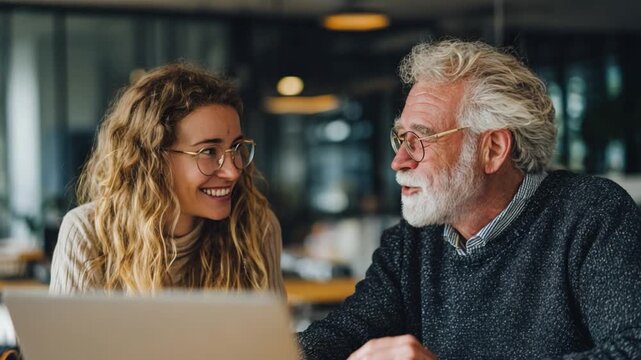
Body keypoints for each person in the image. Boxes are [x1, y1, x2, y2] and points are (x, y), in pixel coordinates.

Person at [298, 39, 641, 359]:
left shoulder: (593, 215)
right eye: (401, 138)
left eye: (420, 139)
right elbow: (341, 334)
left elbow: (631, 348)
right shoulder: (412, 242)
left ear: (492, 150)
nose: (398, 161)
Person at [50, 63, 284, 296]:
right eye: (209, 151)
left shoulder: (256, 227)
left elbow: (272, 333)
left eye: (235, 148)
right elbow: (63, 335)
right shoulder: (87, 233)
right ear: (153, 159)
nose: (233, 171)